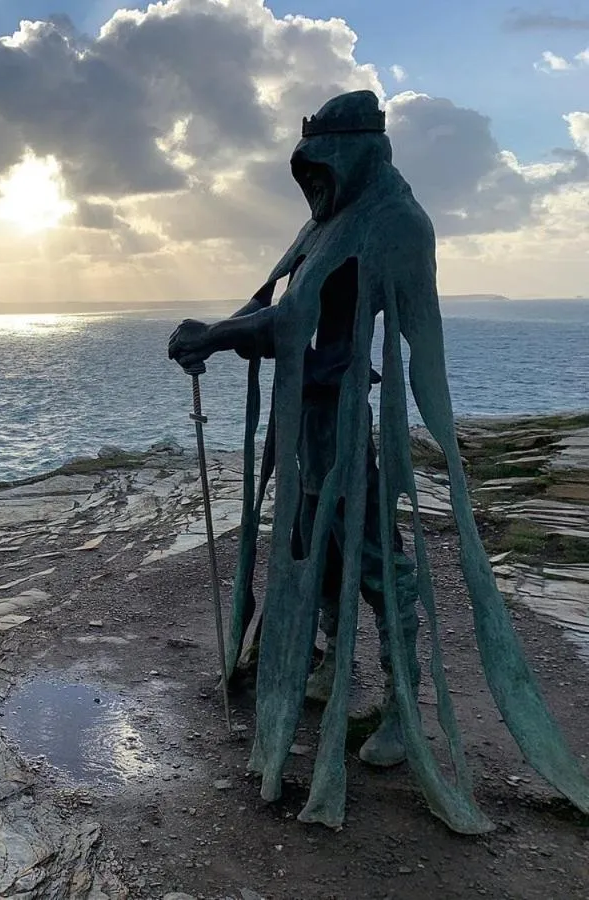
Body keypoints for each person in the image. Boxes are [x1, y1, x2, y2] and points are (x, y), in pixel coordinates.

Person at [163, 90, 589, 833]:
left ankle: (402, 705)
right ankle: (333, 660)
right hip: (306, 418)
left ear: (358, 152)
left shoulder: (396, 221)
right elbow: (280, 309)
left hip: (343, 418)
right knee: (312, 545)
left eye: (322, 164)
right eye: (306, 169)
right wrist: (222, 331)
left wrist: (217, 334)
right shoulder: (327, 220)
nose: (312, 181)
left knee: (370, 557)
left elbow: (294, 319)